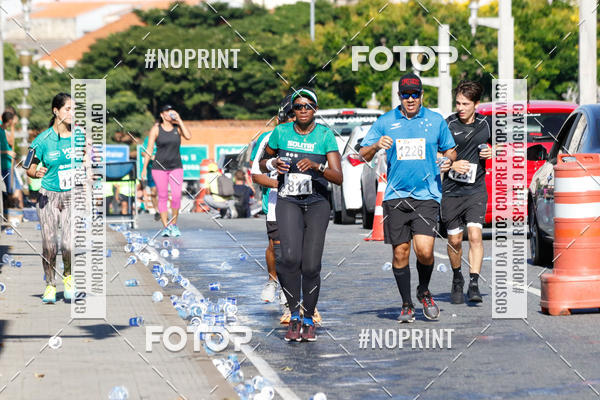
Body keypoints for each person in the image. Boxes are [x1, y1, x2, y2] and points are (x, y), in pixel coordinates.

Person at [360, 73, 457, 323]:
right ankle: (406, 304)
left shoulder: (435, 121)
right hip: (396, 196)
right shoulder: (385, 121)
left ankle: (423, 291)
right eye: (406, 95)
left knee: (424, 251)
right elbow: (362, 154)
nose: (410, 99)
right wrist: (376, 145)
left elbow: (450, 150)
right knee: (400, 253)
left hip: (427, 195)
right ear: (399, 96)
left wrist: (448, 160)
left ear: (422, 95)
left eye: (415, 94)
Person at [260, 88, 342, 342]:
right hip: (289, 201)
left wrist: (317, 166)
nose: (303, 110)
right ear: (293, 111)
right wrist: (273, 164)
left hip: (317, 203)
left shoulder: (325, 135)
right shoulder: (281, 132)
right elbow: (263, 161)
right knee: (288, 259)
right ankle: (294, 315)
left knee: (311, 265)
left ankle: (309, 319)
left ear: (315, 109)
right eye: (298, 107)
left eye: (308, 106)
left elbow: (338, 177)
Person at [442, 81, 492, 304]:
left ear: (476, 104)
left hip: (476, 190)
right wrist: (452, 164)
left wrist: (492, 151)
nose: (460, 108)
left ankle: (474, 283)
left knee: (475, 236)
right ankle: (457, 278)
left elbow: (502, 146)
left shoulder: (486, 124)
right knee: (454, 240)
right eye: (458, 103)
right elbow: (434, 154)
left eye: (465, 104)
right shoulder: (448, 124)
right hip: (451, 191)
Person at [25, 93, 74, 304]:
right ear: (56, 111)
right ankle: (50, 285)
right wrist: (36, 173)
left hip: (71, 196)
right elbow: (28, 166)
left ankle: (68, 277)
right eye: (68, 109)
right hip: (48, 196)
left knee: (68, 244)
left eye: (74, 109)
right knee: (50, 245)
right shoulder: (42, 140)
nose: (72, 113)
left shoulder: (79, 137)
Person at [250, 95, 293, 306]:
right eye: (290, 115)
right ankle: (273, 280)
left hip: (303, 201)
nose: (294, 119)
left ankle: (289, 286)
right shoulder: (267, 139)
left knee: (296, 247)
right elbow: (256, 175)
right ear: (280, 118)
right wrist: (279, 185)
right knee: (276, 245)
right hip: (276, 200)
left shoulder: (310, 138)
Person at [141, 105, 191, 237]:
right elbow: (149, 149)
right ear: (162, 115)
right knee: (162, 196)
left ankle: (174, 225)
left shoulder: (177, 128)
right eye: (167, 112)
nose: (170, 113)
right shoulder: (156, 129)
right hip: (159, 168)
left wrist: (179, 120)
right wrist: (144, 168)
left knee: (176, 196)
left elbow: (188, 136)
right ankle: (166, 227)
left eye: (171, 111)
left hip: (176, 167)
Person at [1, 110, 24, 209]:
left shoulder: (3, 130)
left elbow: (11, 141)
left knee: (16, 188)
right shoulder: (0, 130)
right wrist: (7, 152)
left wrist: (13, 127)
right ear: (10, 120)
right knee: (10, 191)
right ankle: (10, 211)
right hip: (4, 165)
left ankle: (15, 210)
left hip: (9, 164)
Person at [141, 134, 159, 220]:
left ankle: (163, 211)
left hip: (163, 168)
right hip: (151, 168)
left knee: (162, 192)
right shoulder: (148, 138)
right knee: (153, 192)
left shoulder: (166, 136)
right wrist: (150, 156)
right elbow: (142, 153)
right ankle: (157, 211)